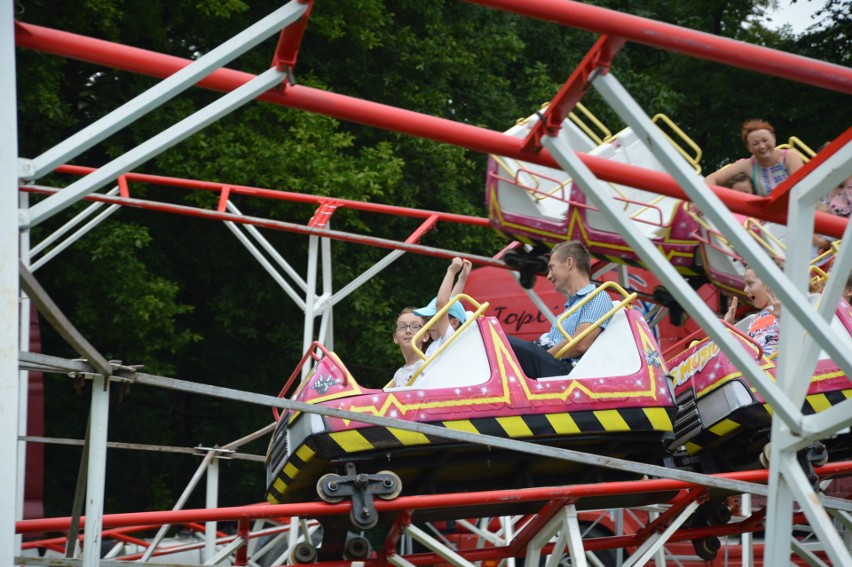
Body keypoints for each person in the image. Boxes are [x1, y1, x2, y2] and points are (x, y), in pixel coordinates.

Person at [508, 241, 613, 378]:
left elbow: (580, 343)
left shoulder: (598, 297)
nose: (548, 276)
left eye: (552, 267)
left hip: (563, 368)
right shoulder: (571, 307)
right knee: (494, 346)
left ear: (569, 263)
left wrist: (540, 358)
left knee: (496, 339)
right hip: (548, 360)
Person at [392, 257, 472, 387]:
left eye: (433, 320)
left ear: (453, 323)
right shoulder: (436, 345)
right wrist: (461, 279)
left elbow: (443, 304)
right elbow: (452, 301)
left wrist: (451, 271)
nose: (428, 326)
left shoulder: (449, 339)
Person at [704, 119, 804, 197]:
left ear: (773, 138)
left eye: (765, 140)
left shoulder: (789, 156)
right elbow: (712, 178)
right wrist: (705, 199)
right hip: (772, 217)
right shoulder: (747, 165)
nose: (762, 146)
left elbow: (801, 187)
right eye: (755, 143)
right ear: (749, 147)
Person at [724, 267, 781, 358]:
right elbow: (743, 346)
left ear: (768, 283)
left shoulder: (787, 310)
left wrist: (783, 317)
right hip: (754, 362)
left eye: (750, 283)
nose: (745, 290)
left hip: (773, 363)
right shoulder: (755, 318)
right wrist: (729, 327)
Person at [391, 308, 428, 388]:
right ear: (395, 337)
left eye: (415, 326)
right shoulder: (398, 374)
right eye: (402, 327)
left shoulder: (429, 364)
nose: (408, 331)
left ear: (426, 336)